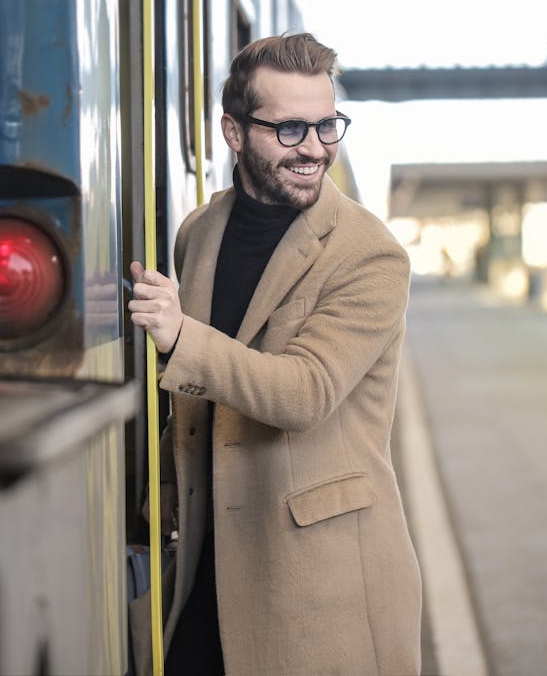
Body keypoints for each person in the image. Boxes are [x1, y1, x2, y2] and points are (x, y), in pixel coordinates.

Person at [127, 33, 421, 676]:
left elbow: (304, 392)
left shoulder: (371, 255)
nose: (315, 148)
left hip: (319, 584)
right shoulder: (199, 232)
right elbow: (204, 388)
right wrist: (173, 472)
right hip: (210, 561)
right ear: (234, 132)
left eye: (326, 125)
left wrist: (180, 336)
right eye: (290, 129)